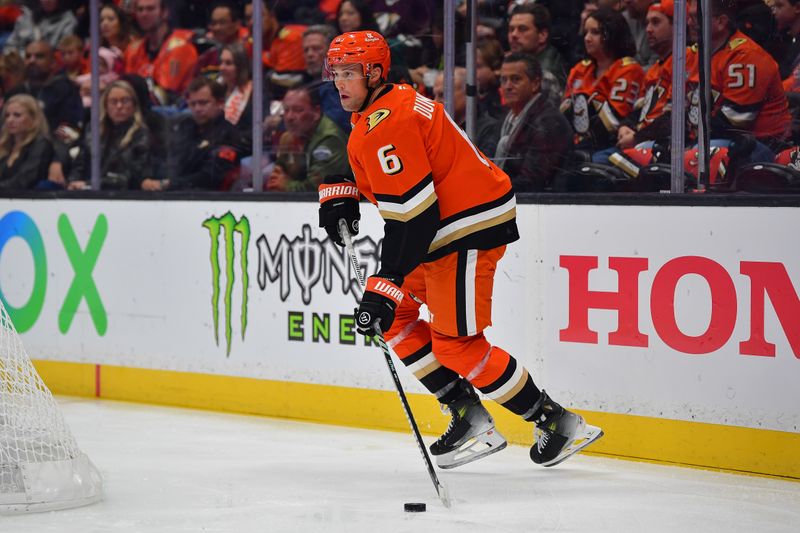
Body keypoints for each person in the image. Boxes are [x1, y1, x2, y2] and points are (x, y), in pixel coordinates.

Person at [319, 30, 603, 470]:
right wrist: (344, 186)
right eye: (335, 73)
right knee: (396, 317)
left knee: (457, 346)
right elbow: (394, 168)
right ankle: (468, 415)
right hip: (444, 227)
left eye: (349, 73)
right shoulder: (383, 105)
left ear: (375, 72)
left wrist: (385, 283)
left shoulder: (388, 120)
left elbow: (413, 217)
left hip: (463, 229)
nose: (340, 82)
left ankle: (559, 424)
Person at [561, 7, 644, 153]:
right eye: (586, 32)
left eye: (595, 32)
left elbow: (613, 122)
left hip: (608, 145)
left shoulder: (628, 69)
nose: (587, 38)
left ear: (612, 34)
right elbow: (563, 116)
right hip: (574, 145)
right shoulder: (580, 69)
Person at [142, 77, 241, 191]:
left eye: (203, 103)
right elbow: (165, 158)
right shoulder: (183, 127)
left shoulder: (228, 134)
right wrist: (148, 179)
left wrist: (168, 184)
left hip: (207, 198)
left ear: (220, 103)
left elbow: (211, 177)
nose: (197, 109)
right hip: (172, 192)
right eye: (193, 104)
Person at [494, 52, 572, 191]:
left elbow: (531, 182)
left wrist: (489, 189)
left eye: (516, 79)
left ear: (535, 84)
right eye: (503, 80)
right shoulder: (507, 118)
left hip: (543, 206)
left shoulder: (548, 123)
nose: (508, 86)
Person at [67, 80, 153, 190]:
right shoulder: (93, 130)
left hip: (122, 194)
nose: (119, 106)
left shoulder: (141, 134)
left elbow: (133, 176)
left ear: (134, 105)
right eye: (113, 101)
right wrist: (73, 181)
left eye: (125, 101)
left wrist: (89, 185)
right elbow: (80, 163)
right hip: (87, 190)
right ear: (106, 106)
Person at [267, 85, 349, 192]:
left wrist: (287, 186)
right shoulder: (287, 138)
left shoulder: (330, 139)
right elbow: (276, 179)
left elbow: (319, 188)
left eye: (298, 110)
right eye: (286, 110)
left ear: (316, 112)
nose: (289, 117)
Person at [123, 0, 198, 105]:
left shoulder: (181, 48)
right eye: (140, 10)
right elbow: (126, 87)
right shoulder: (132, 50)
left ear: (164, 13)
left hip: (172, 112)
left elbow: (164, 95)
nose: (144, 14)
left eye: (150, 9)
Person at [432, 67, 500, 159]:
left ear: (468, 94)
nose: (435, 102)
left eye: (442, 95)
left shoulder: (489, 129)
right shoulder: (436, 128)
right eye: (434, 95)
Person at [507, 3, 567, 101]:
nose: (513, 35)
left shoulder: (546, 75)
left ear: (542, 35)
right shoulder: (524, 62)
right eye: (511, 29)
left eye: (522, 29)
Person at [0, 93, 55, 190]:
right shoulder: (5, 146)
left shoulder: (41, 144)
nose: (10, 120)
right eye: (7, 115)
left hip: (28, 201)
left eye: (17, 115)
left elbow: (24, 181)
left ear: (33, 119)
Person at [302, 24, 350, 132]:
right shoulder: (306, 85)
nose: (310, 54)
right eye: (306, 50)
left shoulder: (340, 86)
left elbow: (337, 125)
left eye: (316, 49)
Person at [195, 1, 246, 80]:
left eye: (222, 22)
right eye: (214, 23)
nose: (217, 28)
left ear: (237, 24)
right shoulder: (207, 57)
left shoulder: (248, 52)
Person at [3, 0, 77, 54]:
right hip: (19, 66)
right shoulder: (26, 18)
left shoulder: (68, 22)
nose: (47, 1)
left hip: (50, 69)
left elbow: (63, 52)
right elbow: (10, 45)